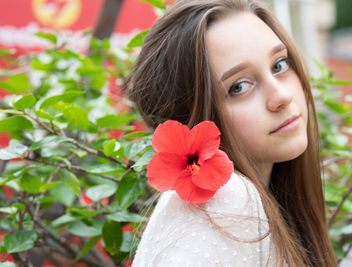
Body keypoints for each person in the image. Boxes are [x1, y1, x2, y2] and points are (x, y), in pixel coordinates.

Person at [123, 0, 337, 266]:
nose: (281, 96)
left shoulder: (255, 197)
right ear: (191, 121)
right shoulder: (226, 199)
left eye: (279, 65)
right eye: (238, 87)